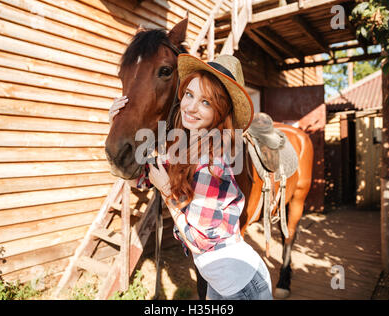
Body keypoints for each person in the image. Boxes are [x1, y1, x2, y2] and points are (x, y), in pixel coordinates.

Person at [109, 54, 272, 300]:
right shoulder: (182, 148)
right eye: (189, 94)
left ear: (220, 111)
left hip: (242, 287)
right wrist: (116, 124)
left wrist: (167, 193)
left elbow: (199, 241)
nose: (191, 107)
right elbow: (140, 177)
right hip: (218, 281)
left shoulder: (212, 162)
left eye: (206, 102)